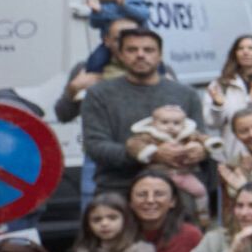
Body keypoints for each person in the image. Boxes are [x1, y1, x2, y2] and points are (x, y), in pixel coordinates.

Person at [81, 29, 206, 194]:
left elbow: (200, 137)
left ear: (160, 55)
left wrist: (199, 151)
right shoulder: (99, 94)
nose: (140, 55)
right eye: (132, 50)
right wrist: (151, 154)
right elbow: (95, 146)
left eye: (148, 50)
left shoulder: (186, 94)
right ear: (120, 55)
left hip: (175, 192)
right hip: (119, 191)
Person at [126, 104, 217, 212]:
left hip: (183, 174)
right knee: (157, 199)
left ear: (183, 124)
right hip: (158, 175)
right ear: (153, 123)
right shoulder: (149, 135)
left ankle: (203, 212)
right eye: (164, 122)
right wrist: (152, 152)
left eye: (176, 123)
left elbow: (202, 138)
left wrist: (206, 145)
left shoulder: (188, 135)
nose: (170, 126)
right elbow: (133, 144)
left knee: (200, 191)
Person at [68, 193, 158, 252]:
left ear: (126, 220)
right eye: (97, 220)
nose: (104, 224)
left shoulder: (140, 250)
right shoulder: (84, 251)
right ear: (88, 225)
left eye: (112, 218)